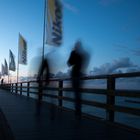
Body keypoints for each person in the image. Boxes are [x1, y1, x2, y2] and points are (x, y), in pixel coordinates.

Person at [67, 40, 89, 119]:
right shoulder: (83, 53)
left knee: (76, 93)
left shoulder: (74, 52)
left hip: (75, 75)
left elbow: (69, 63)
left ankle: (77, 111)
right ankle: (78, 111)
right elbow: (84, 64)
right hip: (80, 75)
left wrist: (73, 54)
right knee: (78, 93)